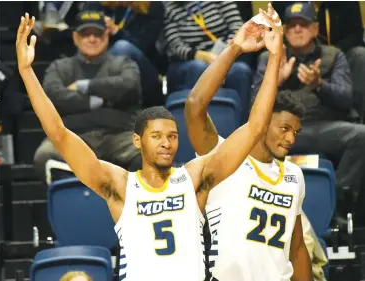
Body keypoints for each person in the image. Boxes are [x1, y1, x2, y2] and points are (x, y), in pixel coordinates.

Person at [16, 9, 279, 281]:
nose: (166, 143)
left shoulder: (194, 178)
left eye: (173, 136)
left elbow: (255, 127)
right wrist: (26, 72)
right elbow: (59, 134)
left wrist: (268, 54)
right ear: (137, 141)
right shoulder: (120, 186)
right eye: (157, 137)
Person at [185, 4, 312, 280]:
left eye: (296, 132)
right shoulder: (223, 159)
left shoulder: (294, 176)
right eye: (285, 128)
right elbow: (195, 106)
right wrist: (234, 48)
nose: (291, 138)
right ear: (264, 121)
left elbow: (298, 248)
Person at [252, 2, 365, 223]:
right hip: (282, 131)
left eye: (303, 25)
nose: (297, 30)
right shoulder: (270, 58)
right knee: (250, 140)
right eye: (292, 25)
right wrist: (275, 82)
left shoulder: (334, 55)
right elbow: (252, 108)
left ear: (315, 29)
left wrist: (319, 85)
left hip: (324, 127)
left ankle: (336, 202)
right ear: (284, 30)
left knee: (361, 136)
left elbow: (345, 98)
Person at [34, 10, 143, 183]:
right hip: (71, 136)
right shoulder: (60, 67)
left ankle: (135, 206)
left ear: (106, 35)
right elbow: (53, 96)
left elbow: (129, 86)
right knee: (45, 155)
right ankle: (76, 205)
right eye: (85, 34)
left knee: (149, 154)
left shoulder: (123, 63)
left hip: (119, 135)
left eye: (98, 33)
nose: (92, 39)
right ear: (75, 37)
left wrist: (83, 86)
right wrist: (98, 100)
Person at [163, 1, 253, 102]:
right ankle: (195, 117)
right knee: (199, 67)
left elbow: (237, 28)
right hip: (188, 60)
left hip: (225, 55)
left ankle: (240, 117)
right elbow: (175, 45)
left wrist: (224, 54)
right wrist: (201, 56)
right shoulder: (170, 8)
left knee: (241, 70)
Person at [84, 1, 165, 106]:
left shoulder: (152, 5)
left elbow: (142, 44)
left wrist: (116, 31)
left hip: (143, 68)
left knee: (122, 47)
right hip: (102, 61)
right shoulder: (98, 4)